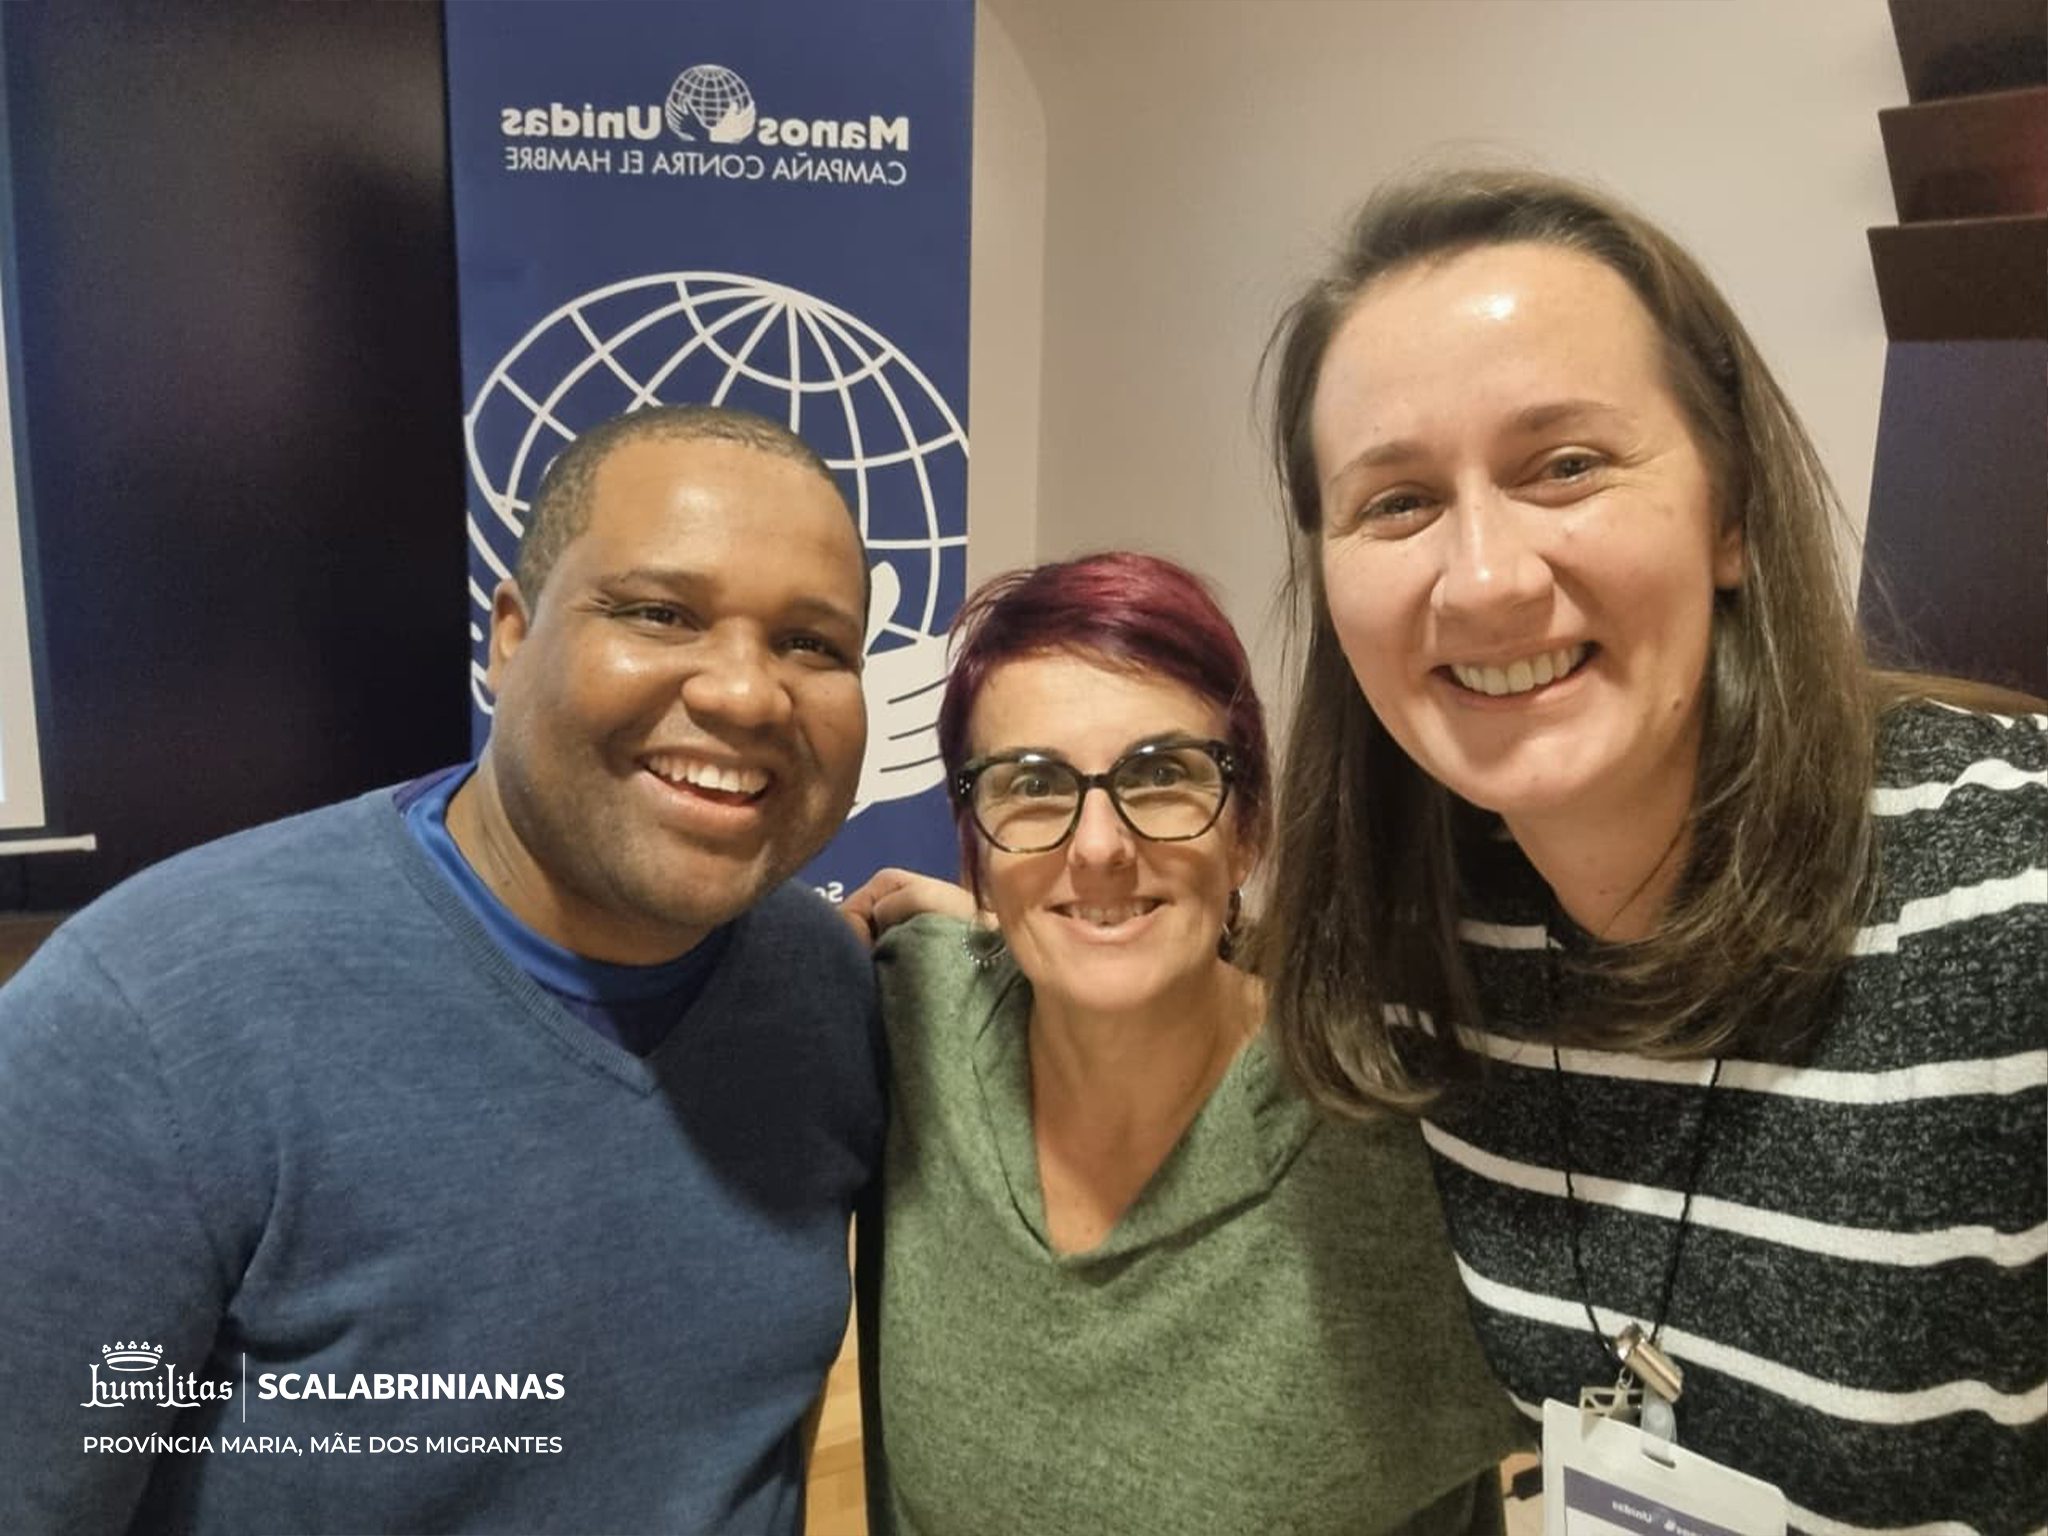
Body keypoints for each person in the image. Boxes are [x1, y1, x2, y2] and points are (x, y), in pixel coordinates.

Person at [1260, 168, 2045, 1534]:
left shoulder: (2011, 898)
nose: (1486, 578)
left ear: (1727, 511)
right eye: (1395, 502)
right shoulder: (1416, 941)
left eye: (1565, 466)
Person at [0, 405, 884, 1534]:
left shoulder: (829, 990)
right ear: (510, 637)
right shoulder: (142, 1025)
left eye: (813, 644)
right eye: (661, 613)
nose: (746, 693)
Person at [843, 552, 1522, 1536]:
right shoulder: (910, 1019)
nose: (1098, 846)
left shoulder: (1402, 1124)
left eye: (1160, 774)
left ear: (1247, 829)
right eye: (1031, 785)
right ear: (974, 844)